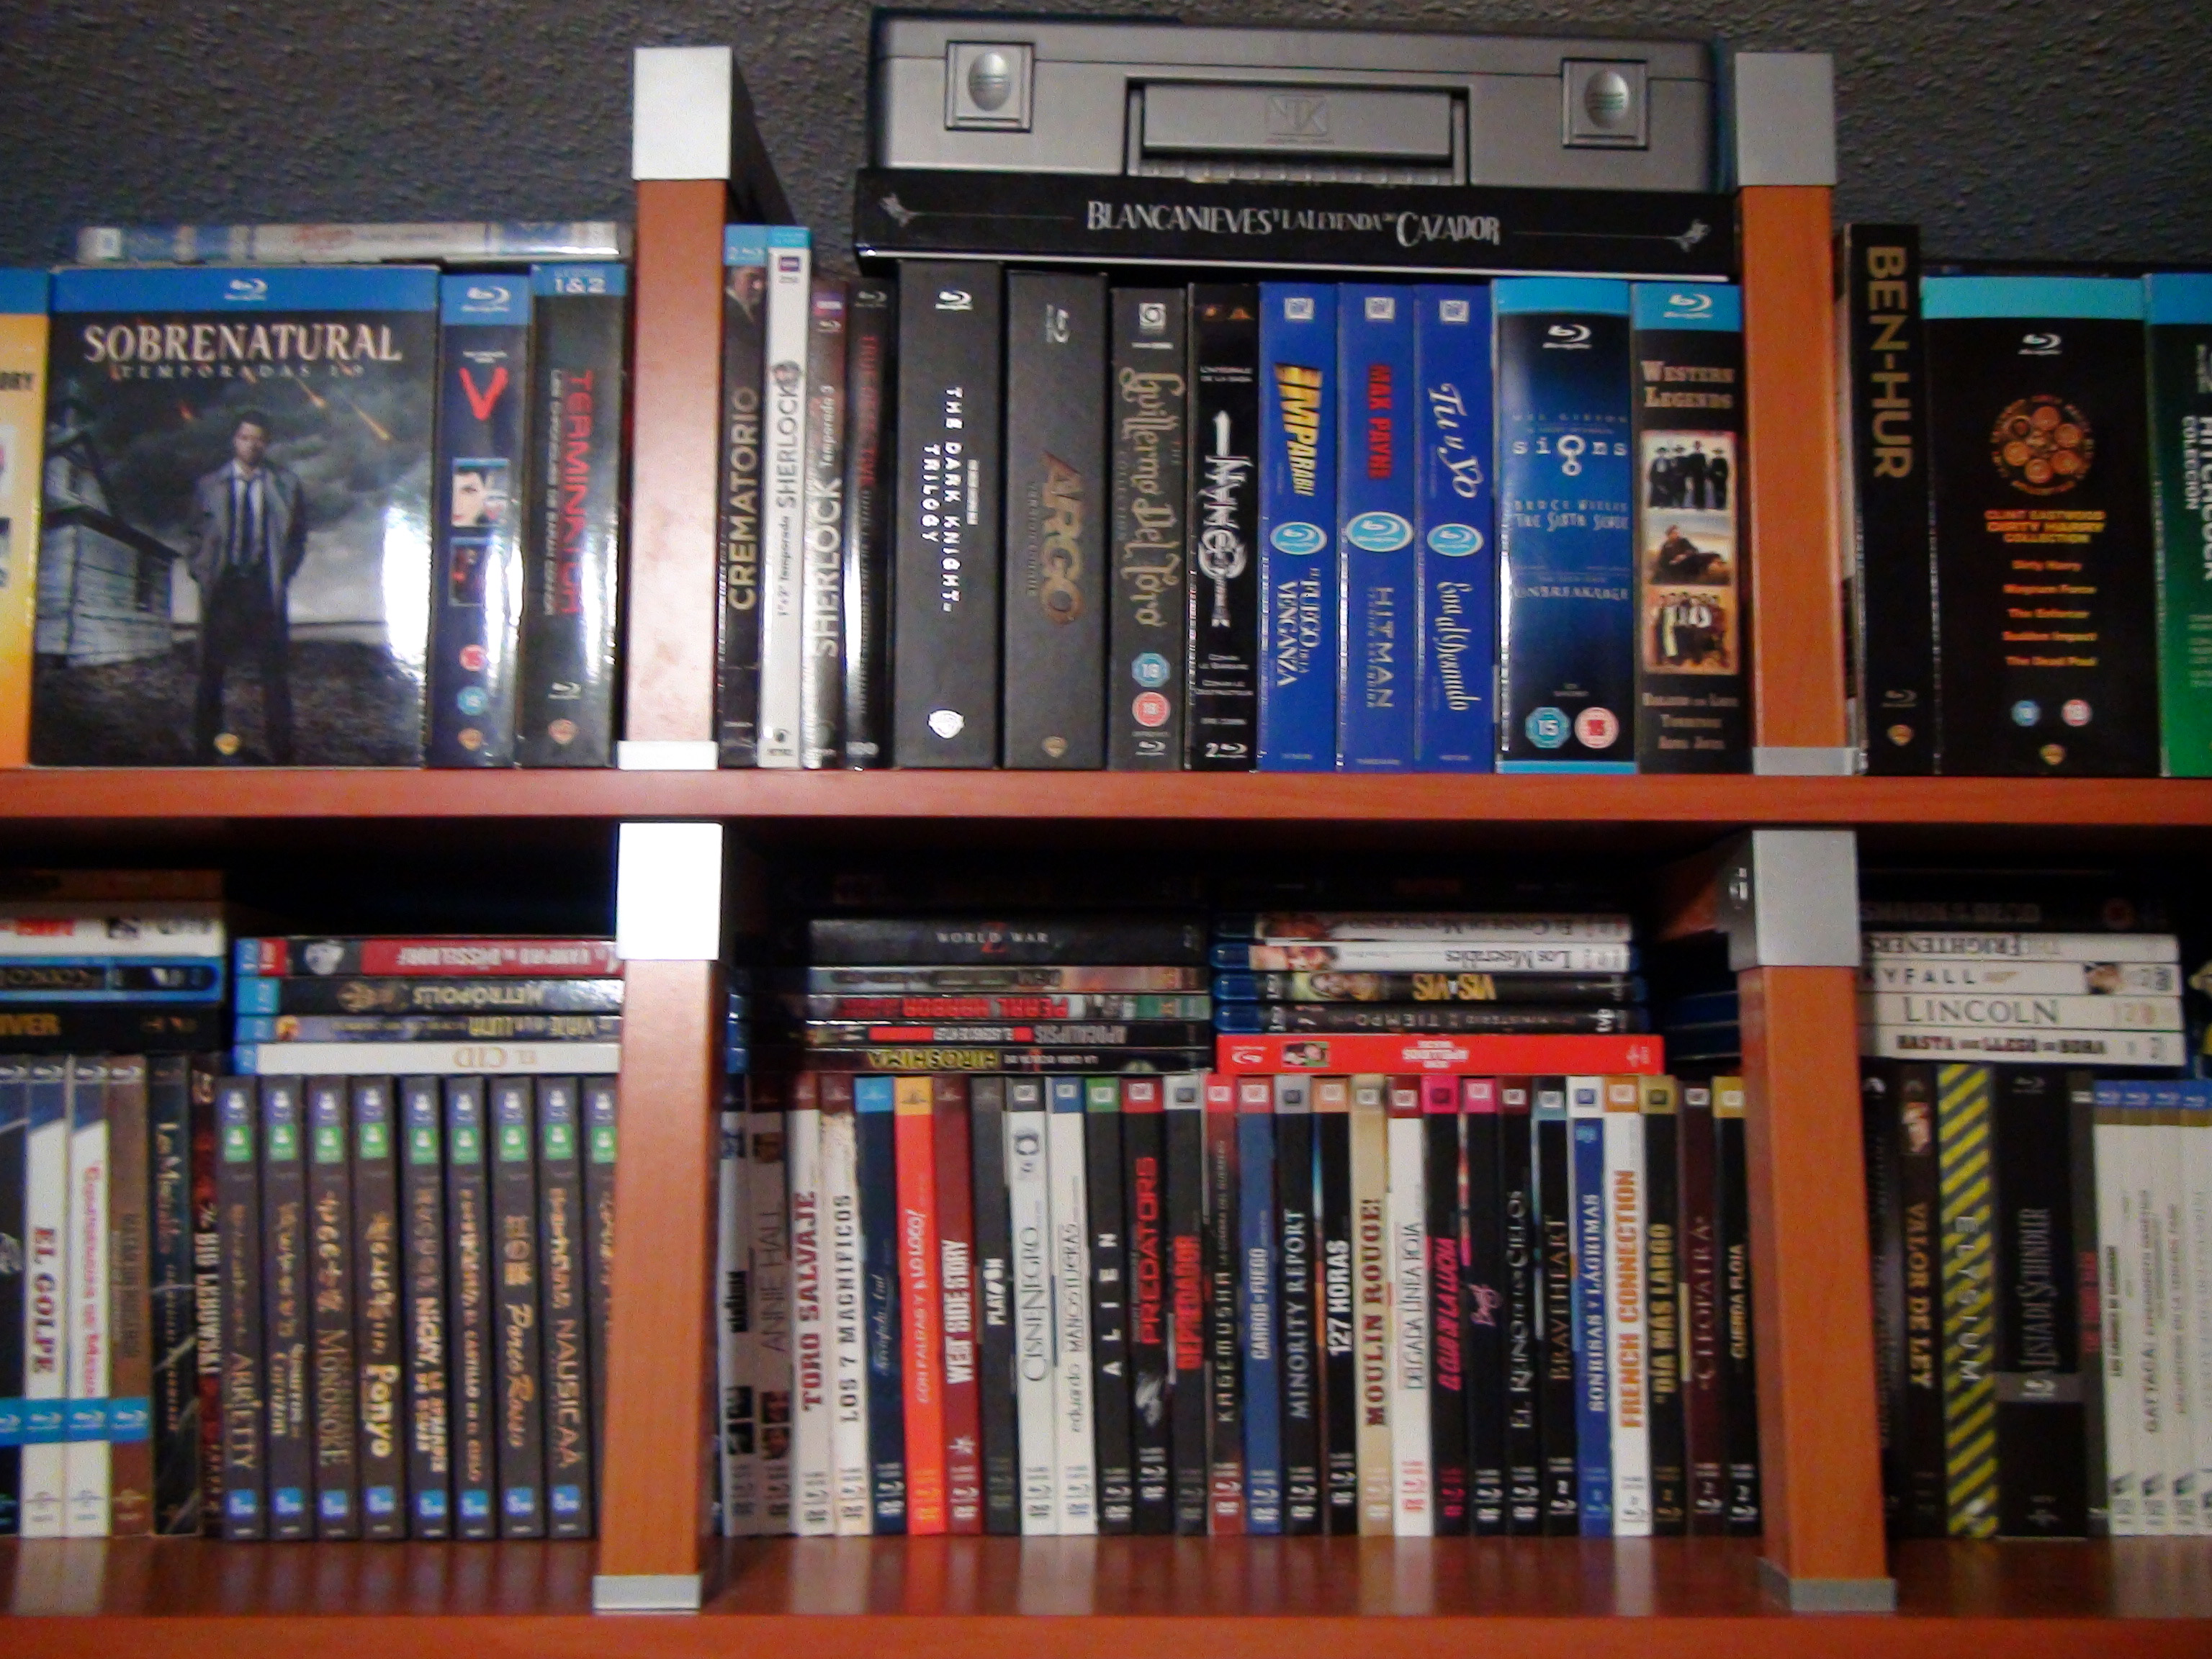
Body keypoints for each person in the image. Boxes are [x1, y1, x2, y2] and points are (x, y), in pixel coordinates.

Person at [188, 409, 308, 763]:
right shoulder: (209, 486)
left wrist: (283, 573)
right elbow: (193, 535)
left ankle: (282, 753)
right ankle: (204, 749)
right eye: (245, 438)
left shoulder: (286, 485)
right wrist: (202, 571)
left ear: (267, 443)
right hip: (223, 590)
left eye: (259, 439)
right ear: (234, 441)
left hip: (263, 590)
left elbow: (298, 538)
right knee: (211, 671)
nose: (252, 445)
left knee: (275, 674)